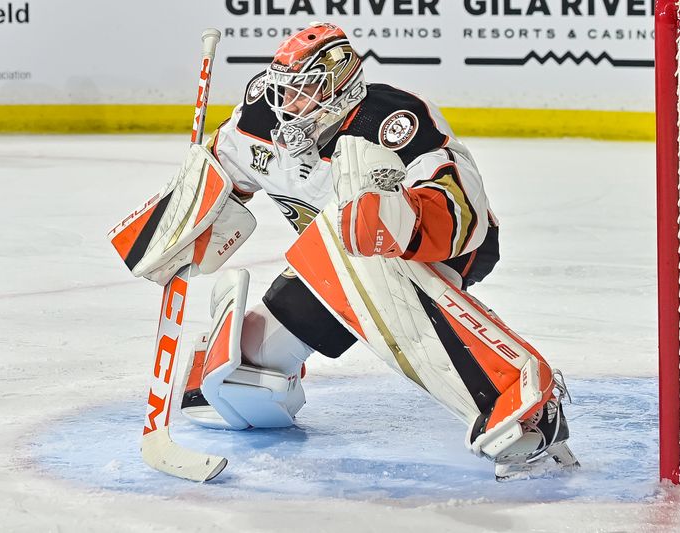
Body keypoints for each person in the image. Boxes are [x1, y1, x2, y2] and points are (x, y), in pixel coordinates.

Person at [179, 22, 576, 479]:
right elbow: (220, 183)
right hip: (335, 257)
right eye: (284, 91)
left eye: (303, 90)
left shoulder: (390, 119)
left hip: (437, 249)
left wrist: (398, 221)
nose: (288, 105)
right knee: (243, 375)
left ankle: (520, 400)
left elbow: (467, 208)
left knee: (360, 233)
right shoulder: (259, 122)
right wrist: (187, 216)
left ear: (339, 83)